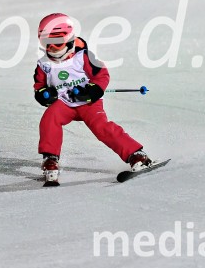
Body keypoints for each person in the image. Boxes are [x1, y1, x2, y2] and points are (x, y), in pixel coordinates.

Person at [32, 13, 151, 183]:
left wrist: (91, 91)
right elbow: (39, 86)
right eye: (46, 44)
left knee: (100, 126)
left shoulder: (84, 56)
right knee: (49, 118)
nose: (51, 49)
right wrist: (45, 94)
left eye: (57, 44)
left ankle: (137, 155)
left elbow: (102, 76)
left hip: (88, 103)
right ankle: (50, 159)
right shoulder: (44, 63)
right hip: (64, 103)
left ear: (68, 39)